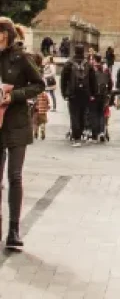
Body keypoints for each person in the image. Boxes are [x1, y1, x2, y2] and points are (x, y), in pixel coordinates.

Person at [0, 16, 45, 250]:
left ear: (7, 35)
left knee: (14, 177)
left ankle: (14, 230)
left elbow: (39, 84)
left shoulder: (22, 58)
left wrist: (14, 95)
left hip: (16, 123)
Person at [60, 44, 98, 146]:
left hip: (73, 93)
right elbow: (93, 80)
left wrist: (64, 93)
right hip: (85, 93)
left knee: (74, 115)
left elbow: (63, 79)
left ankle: (76, 137)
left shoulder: (69, 64)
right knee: (82, 114)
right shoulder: (88, 64)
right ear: (83, 51)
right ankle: (80, 134)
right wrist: (93, 93)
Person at [90, 57, 113, 142]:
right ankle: (102, 132)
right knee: (102, 114)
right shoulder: (106, 72)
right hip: (103, 96)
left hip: (95, 96)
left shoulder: (93, 73)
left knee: (95, 114)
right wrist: (108, 93)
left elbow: (90, 84)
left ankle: (95, 133)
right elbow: (110, 84)